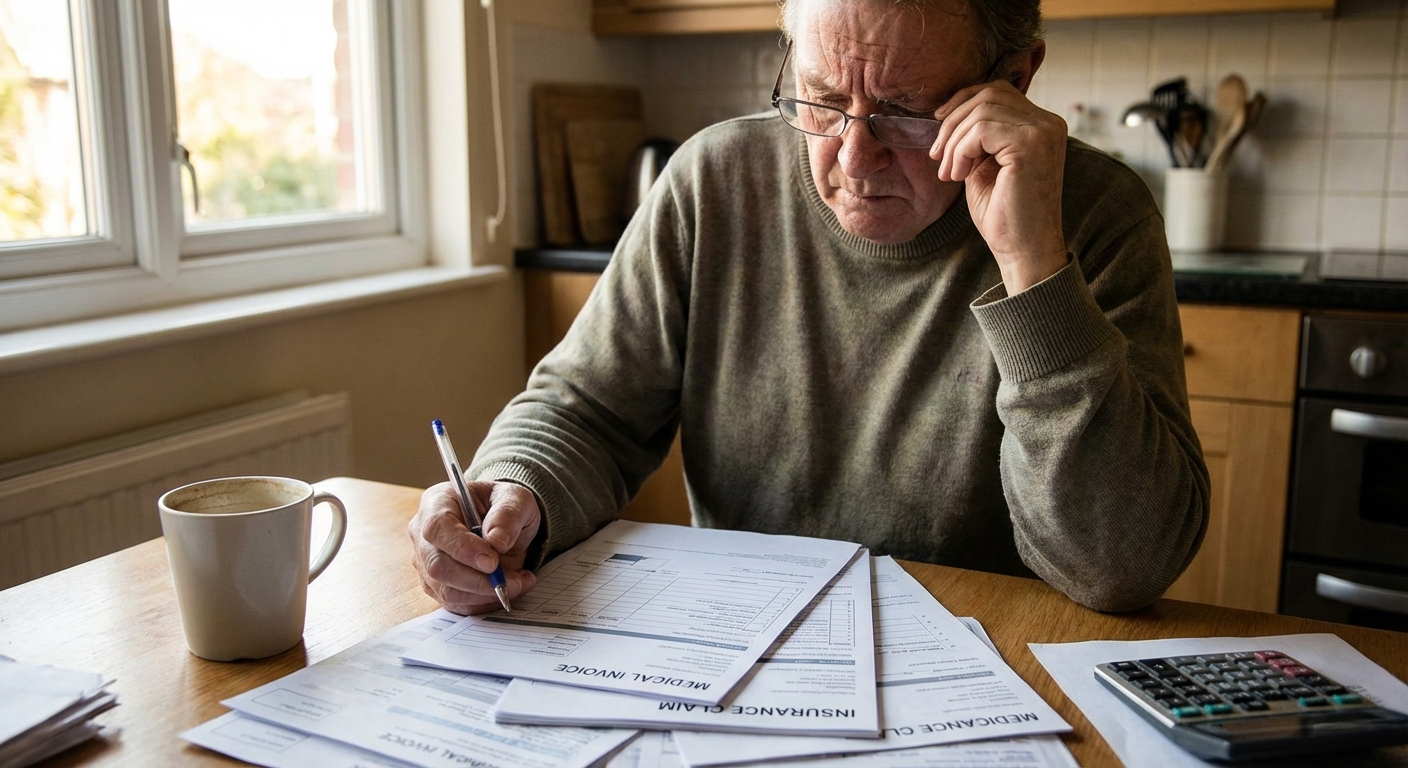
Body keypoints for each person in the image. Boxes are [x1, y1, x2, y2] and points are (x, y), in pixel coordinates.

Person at [409, 0, 1209, 616]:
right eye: (821, 100)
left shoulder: (1099, 216)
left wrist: (1034, 270)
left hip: (993, 658)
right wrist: (514, 491)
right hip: (742, 643)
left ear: (1016, 80)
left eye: (903, 110)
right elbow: (586, 410)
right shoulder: (712, 181)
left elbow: (1122, 565)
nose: (853, 161)